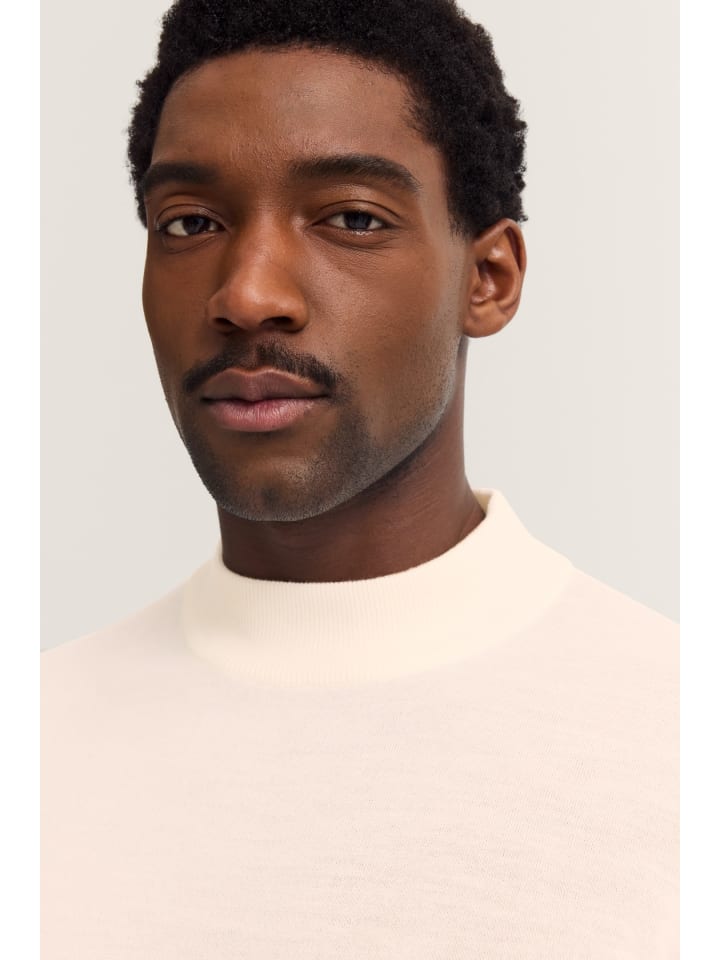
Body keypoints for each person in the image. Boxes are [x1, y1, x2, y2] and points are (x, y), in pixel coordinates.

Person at [41, 0, 679, 956]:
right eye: (190, 222)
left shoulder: (677, 740)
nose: (247, 293)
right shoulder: (35, 743)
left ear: (489, 279)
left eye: (350, 218)